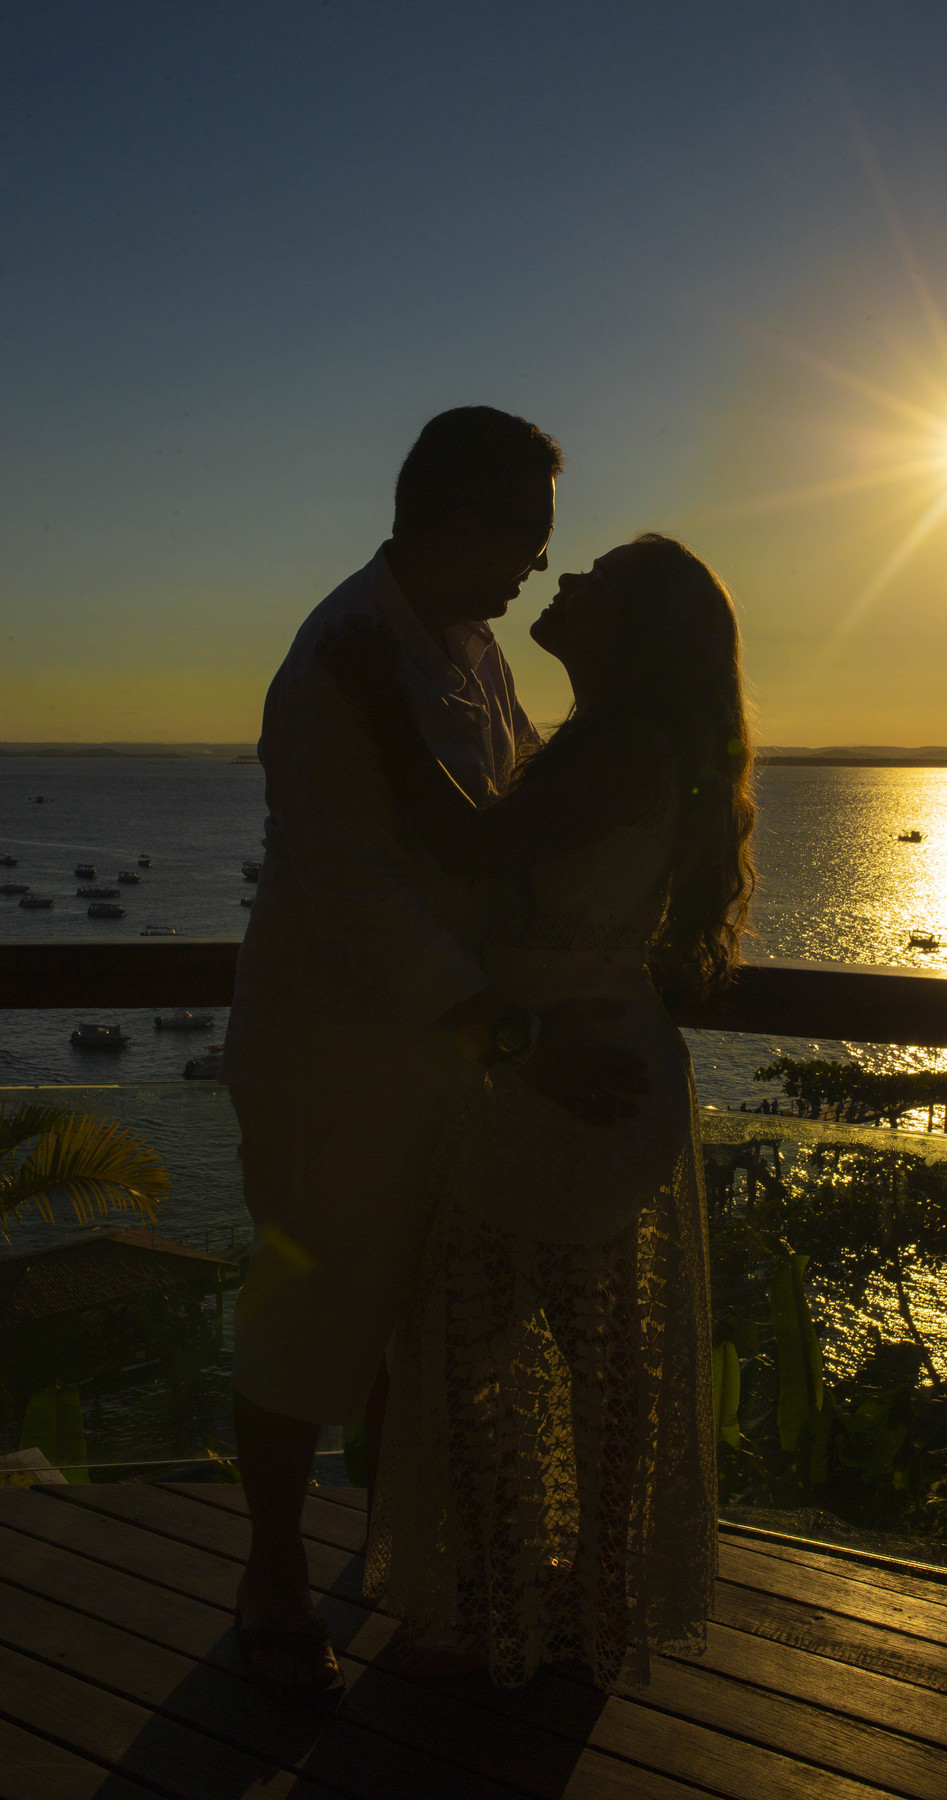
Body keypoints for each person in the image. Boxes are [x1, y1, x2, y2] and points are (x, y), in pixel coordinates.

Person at [222, 407, 646, 1702]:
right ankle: (276, 1571)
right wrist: (516, 1032)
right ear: (463, 521)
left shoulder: (468, 653)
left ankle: (402, 1562)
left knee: (425, 1326)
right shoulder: (336, 661)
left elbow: (490, 831)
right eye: (528, 538)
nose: (534, 568)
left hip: (451, 1068)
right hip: (336, 1069)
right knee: (315, 1316)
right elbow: (359, 905)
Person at [318, 533, 755, 1688]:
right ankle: (563, 1588)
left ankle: (557, 1591)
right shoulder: (608, 745)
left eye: (595, 581)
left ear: (636, 630)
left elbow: (465, 841)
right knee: (558, 1348)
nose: (565, 586)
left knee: (505, 1345)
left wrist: (375, 704)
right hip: (572, 1069)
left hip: (577, 1080)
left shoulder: (620, 754)